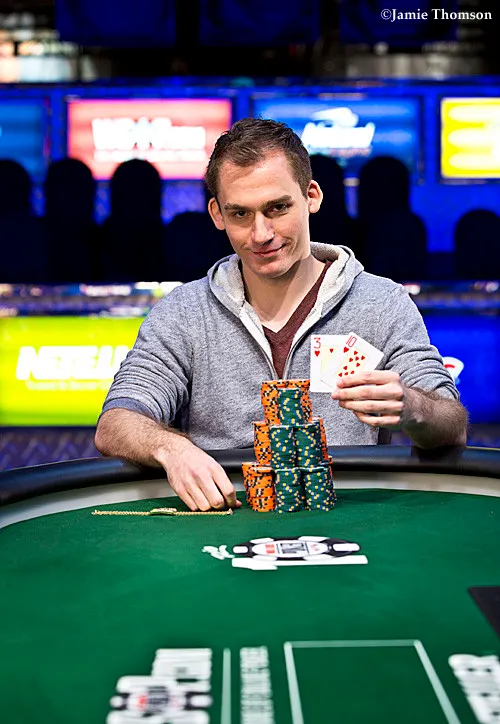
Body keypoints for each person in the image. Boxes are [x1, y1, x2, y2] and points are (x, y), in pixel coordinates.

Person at [95, 118, 467, 512]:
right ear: (217, 214)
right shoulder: (183, 313)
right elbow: (116, 422)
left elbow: (452, 424)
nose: (260, 234)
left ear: (311, 196)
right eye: (240, 214)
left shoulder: (381, 302)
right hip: (221, 521)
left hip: (351, 516)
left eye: (277, 208)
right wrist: (171, 447)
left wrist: (411, 406)